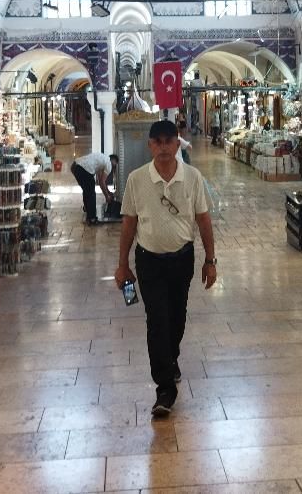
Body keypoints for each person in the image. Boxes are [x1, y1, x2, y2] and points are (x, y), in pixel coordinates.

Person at [114, 119, 216, 418]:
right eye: (157, 142)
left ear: (177, 143)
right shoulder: (136, 179)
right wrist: (122, 264)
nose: (163, 147)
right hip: (149, 262)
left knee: (177, 318)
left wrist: (210, 260)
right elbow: (129, 223)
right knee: (157, 320)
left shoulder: (192, 177)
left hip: (182, 260)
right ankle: (164, 388)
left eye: (168, 141)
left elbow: (203, 220)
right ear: (150, 145)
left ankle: (170, 359)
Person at [71, 151, 118, 224]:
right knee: (91, 194)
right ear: (113, 160)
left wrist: (108, 192)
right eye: (116, 163)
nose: (115, 166)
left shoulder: (102, 159)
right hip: (83, 169)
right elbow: (102, 182)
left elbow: (100, 181)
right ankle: (92, 218)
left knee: (87, 191)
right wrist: (107, 197)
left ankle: (87, 210)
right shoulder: (109, 163)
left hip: (75, 166)